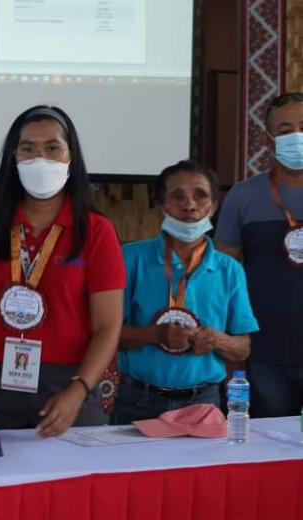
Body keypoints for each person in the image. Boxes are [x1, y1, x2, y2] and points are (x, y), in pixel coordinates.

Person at [0, 105, 125, 437]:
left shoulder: (95, 231)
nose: (40, 159)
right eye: (28, 149)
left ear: (70, 156)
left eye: (52, 148)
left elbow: (108, 326)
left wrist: (79, 390)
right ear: (13, 158)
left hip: (69, 386)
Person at [112, 161, 259, 424]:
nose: (189, 205)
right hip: (138, 399)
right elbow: (107, 335)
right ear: (160, 204)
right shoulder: (131, 258)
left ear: (213, 206)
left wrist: (217, 340)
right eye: (177, 196)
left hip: (204, 400)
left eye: (200, 196)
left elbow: (243, 348)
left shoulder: (229, 269)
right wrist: (154, 334)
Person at [215, 92, 303, 417]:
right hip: (263, 353)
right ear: (269, 140)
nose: (296, 136)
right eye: (285, 129)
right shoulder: (242, 196)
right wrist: (229, 347)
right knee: (267, 442)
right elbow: (222, 277)